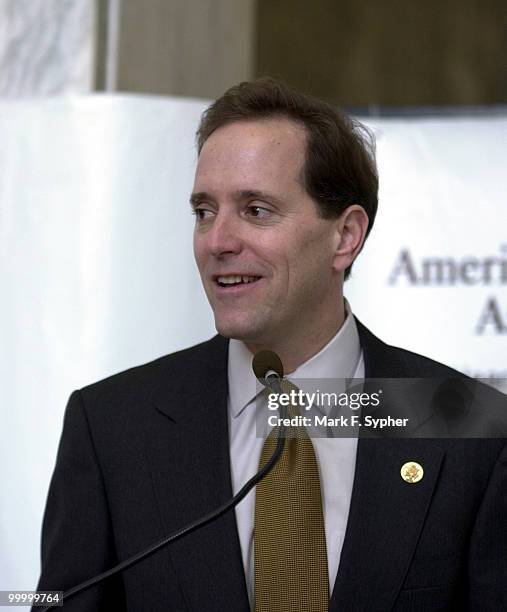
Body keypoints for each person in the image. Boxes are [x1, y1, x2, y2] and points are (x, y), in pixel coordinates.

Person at [35, 78, 506, 611]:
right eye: (204, 212)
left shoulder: (470, 425)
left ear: (345, 236)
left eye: (256, 210)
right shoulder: (113, 426)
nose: (218, 241)